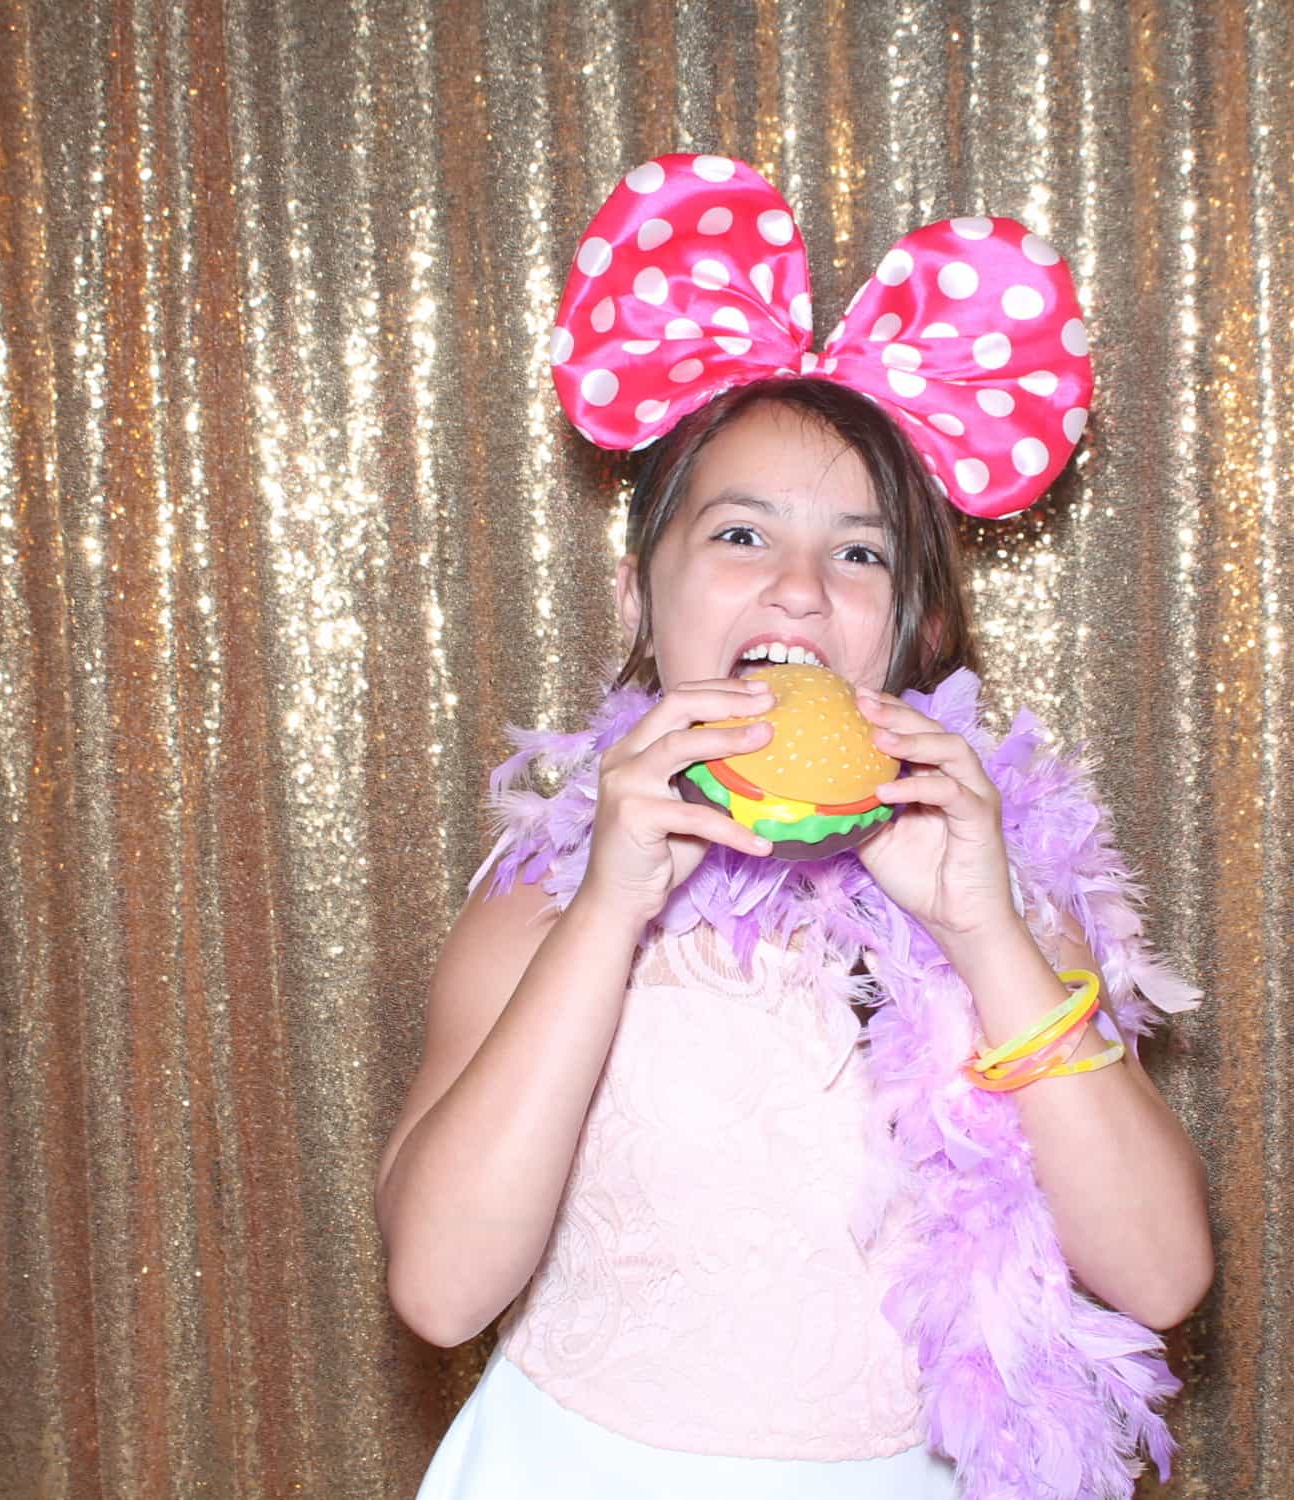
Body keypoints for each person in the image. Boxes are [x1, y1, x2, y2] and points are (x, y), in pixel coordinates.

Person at [374, 153, 1212, 1500]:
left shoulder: (1004, 891)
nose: (802, 589)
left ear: (911, 628)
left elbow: (1161, 1275)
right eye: (741, 536)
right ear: (641, 595)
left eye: (860, 553)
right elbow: (438, 1289)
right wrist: (609, 907)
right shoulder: (543, 893)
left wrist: (986, 931)